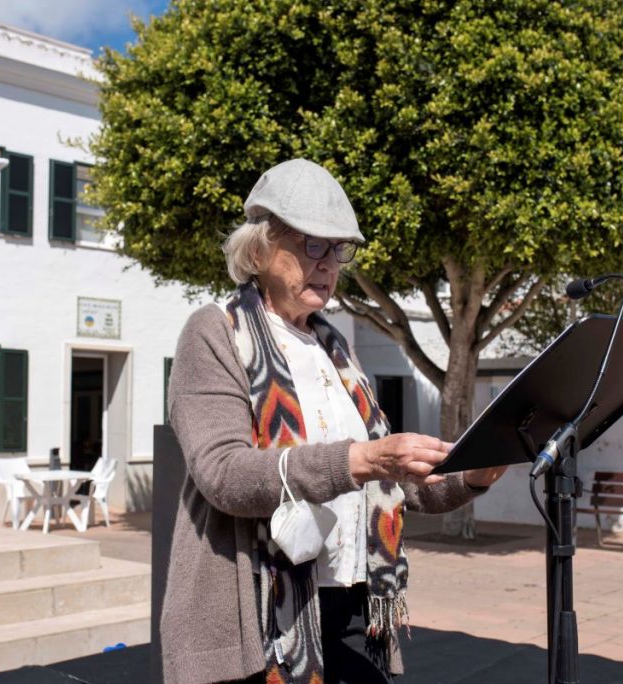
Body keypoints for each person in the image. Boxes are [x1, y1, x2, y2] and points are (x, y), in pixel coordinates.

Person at [161, 159, 507, 684]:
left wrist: (472, 476)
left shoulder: (334, 347)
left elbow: (395, 485)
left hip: (352, 605)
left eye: (338, 249)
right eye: (311, 245)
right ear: (258, 249)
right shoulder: (215, 332)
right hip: (259, 612)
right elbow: (224, 475)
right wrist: (360, 459)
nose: (327, 264)